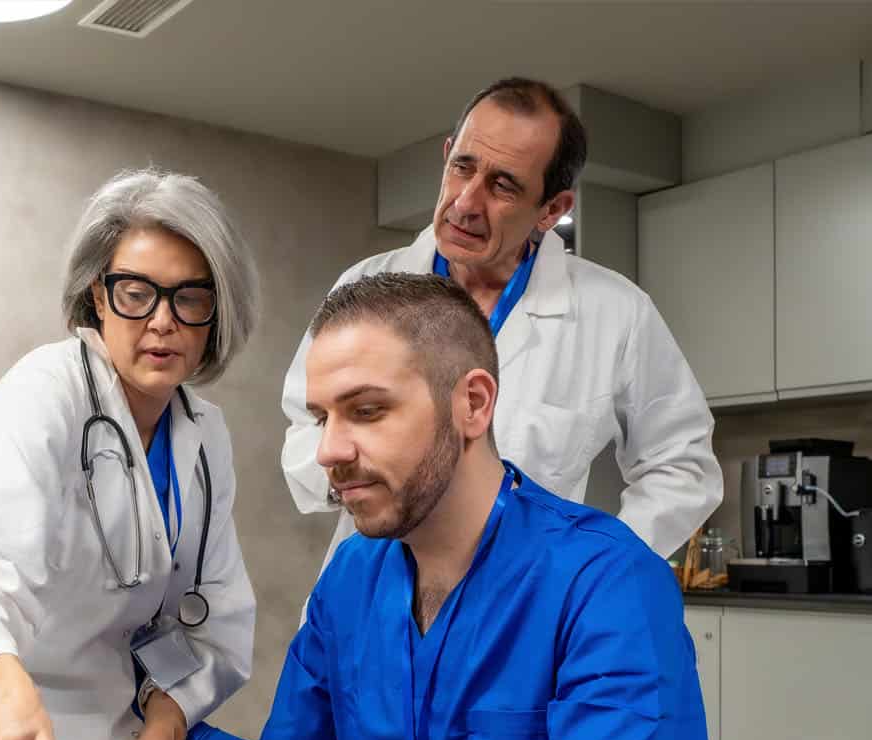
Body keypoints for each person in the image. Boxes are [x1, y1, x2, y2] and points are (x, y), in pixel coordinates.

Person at [0, 273, 728, 740]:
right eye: (322, 417)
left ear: (473, 403)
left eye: (366, 410)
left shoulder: (607, 582)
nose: (328, 451)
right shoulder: (355, 576)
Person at [0, 168, 260, 740]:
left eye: (189, 298)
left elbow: (213, 622)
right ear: (97, 298)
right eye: (135, 293)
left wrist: (167, 724)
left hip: (128, 711)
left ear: (216, 312)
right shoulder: (45, 392)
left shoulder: (204, 435)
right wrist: (4, 694)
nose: (162, 321)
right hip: (10, 716)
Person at [281, 76, 722, 563]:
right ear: (447, 154)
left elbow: (682, 466)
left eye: (503, 186)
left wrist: (596, 568)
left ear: (552, 209)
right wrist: (364, 479)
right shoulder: (367, 286)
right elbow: (305, 425)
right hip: (371, 583)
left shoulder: (615, 312)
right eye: (462, 167)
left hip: (523, 596)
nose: (467, 203)